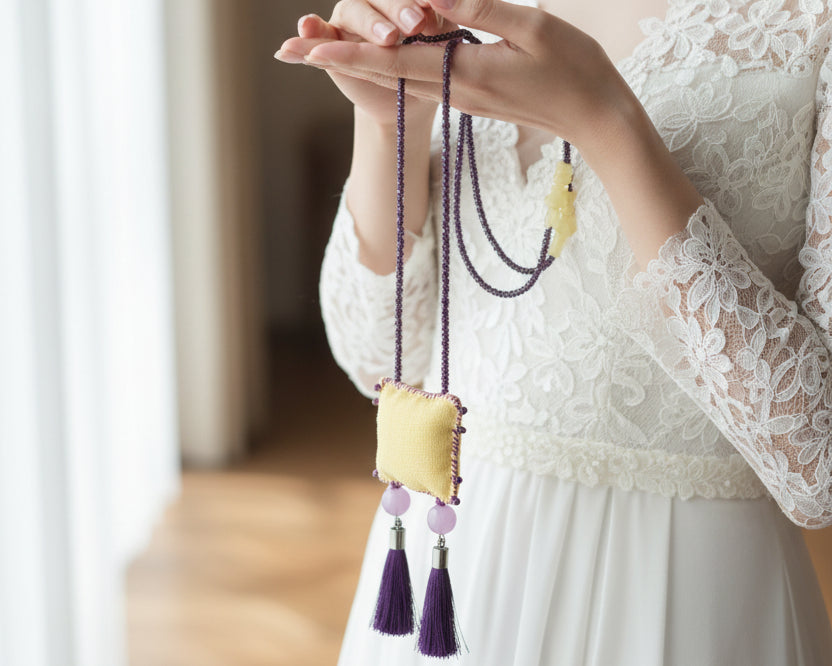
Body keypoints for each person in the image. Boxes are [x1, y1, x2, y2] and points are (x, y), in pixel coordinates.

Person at [277, 0, 832, 663]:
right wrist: (390, 120)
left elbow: (816, 467)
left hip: (676, 586)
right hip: (457, 561)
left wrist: (604, 121)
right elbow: (375, 356)